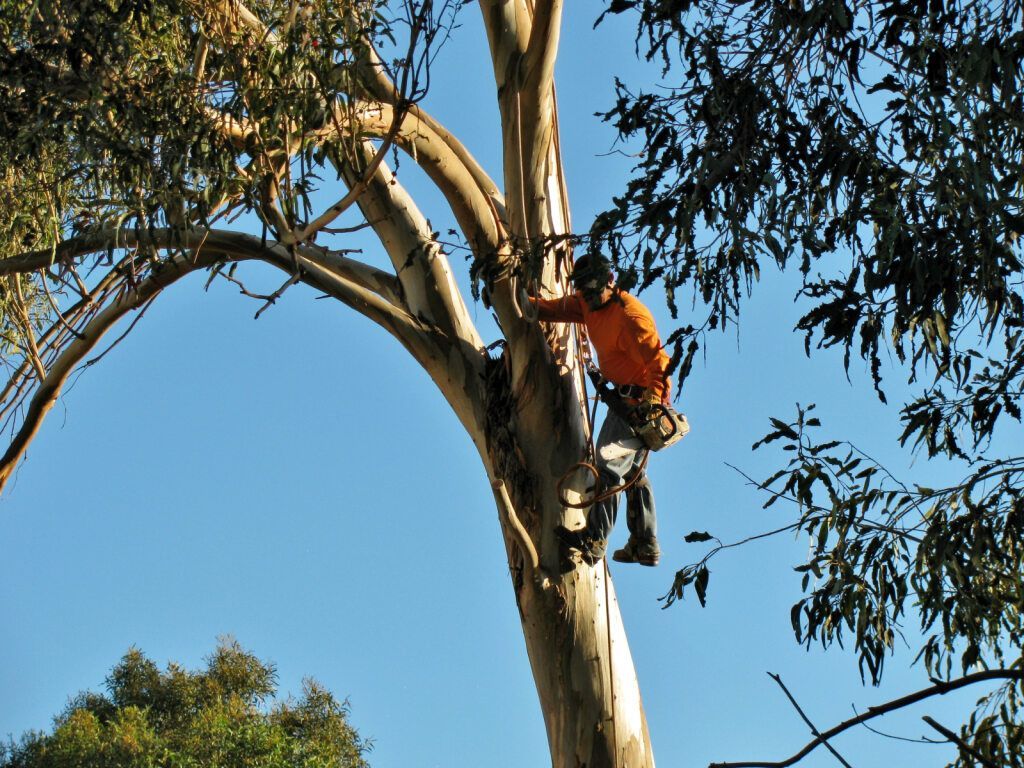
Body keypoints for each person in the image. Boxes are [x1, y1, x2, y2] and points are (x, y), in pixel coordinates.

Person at [532, 254, 671, 567]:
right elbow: (562, 308)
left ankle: (594, 541)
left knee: (608, 467)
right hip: (620, 402)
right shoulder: (586, 301)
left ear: (610, 280)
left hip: (639, 406)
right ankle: (645, 543)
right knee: (632, 474)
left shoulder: (632, 317)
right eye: (585, 292)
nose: (590, 299)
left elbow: (659, 363)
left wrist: (653, 404)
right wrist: (522, 302)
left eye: (595, 291)